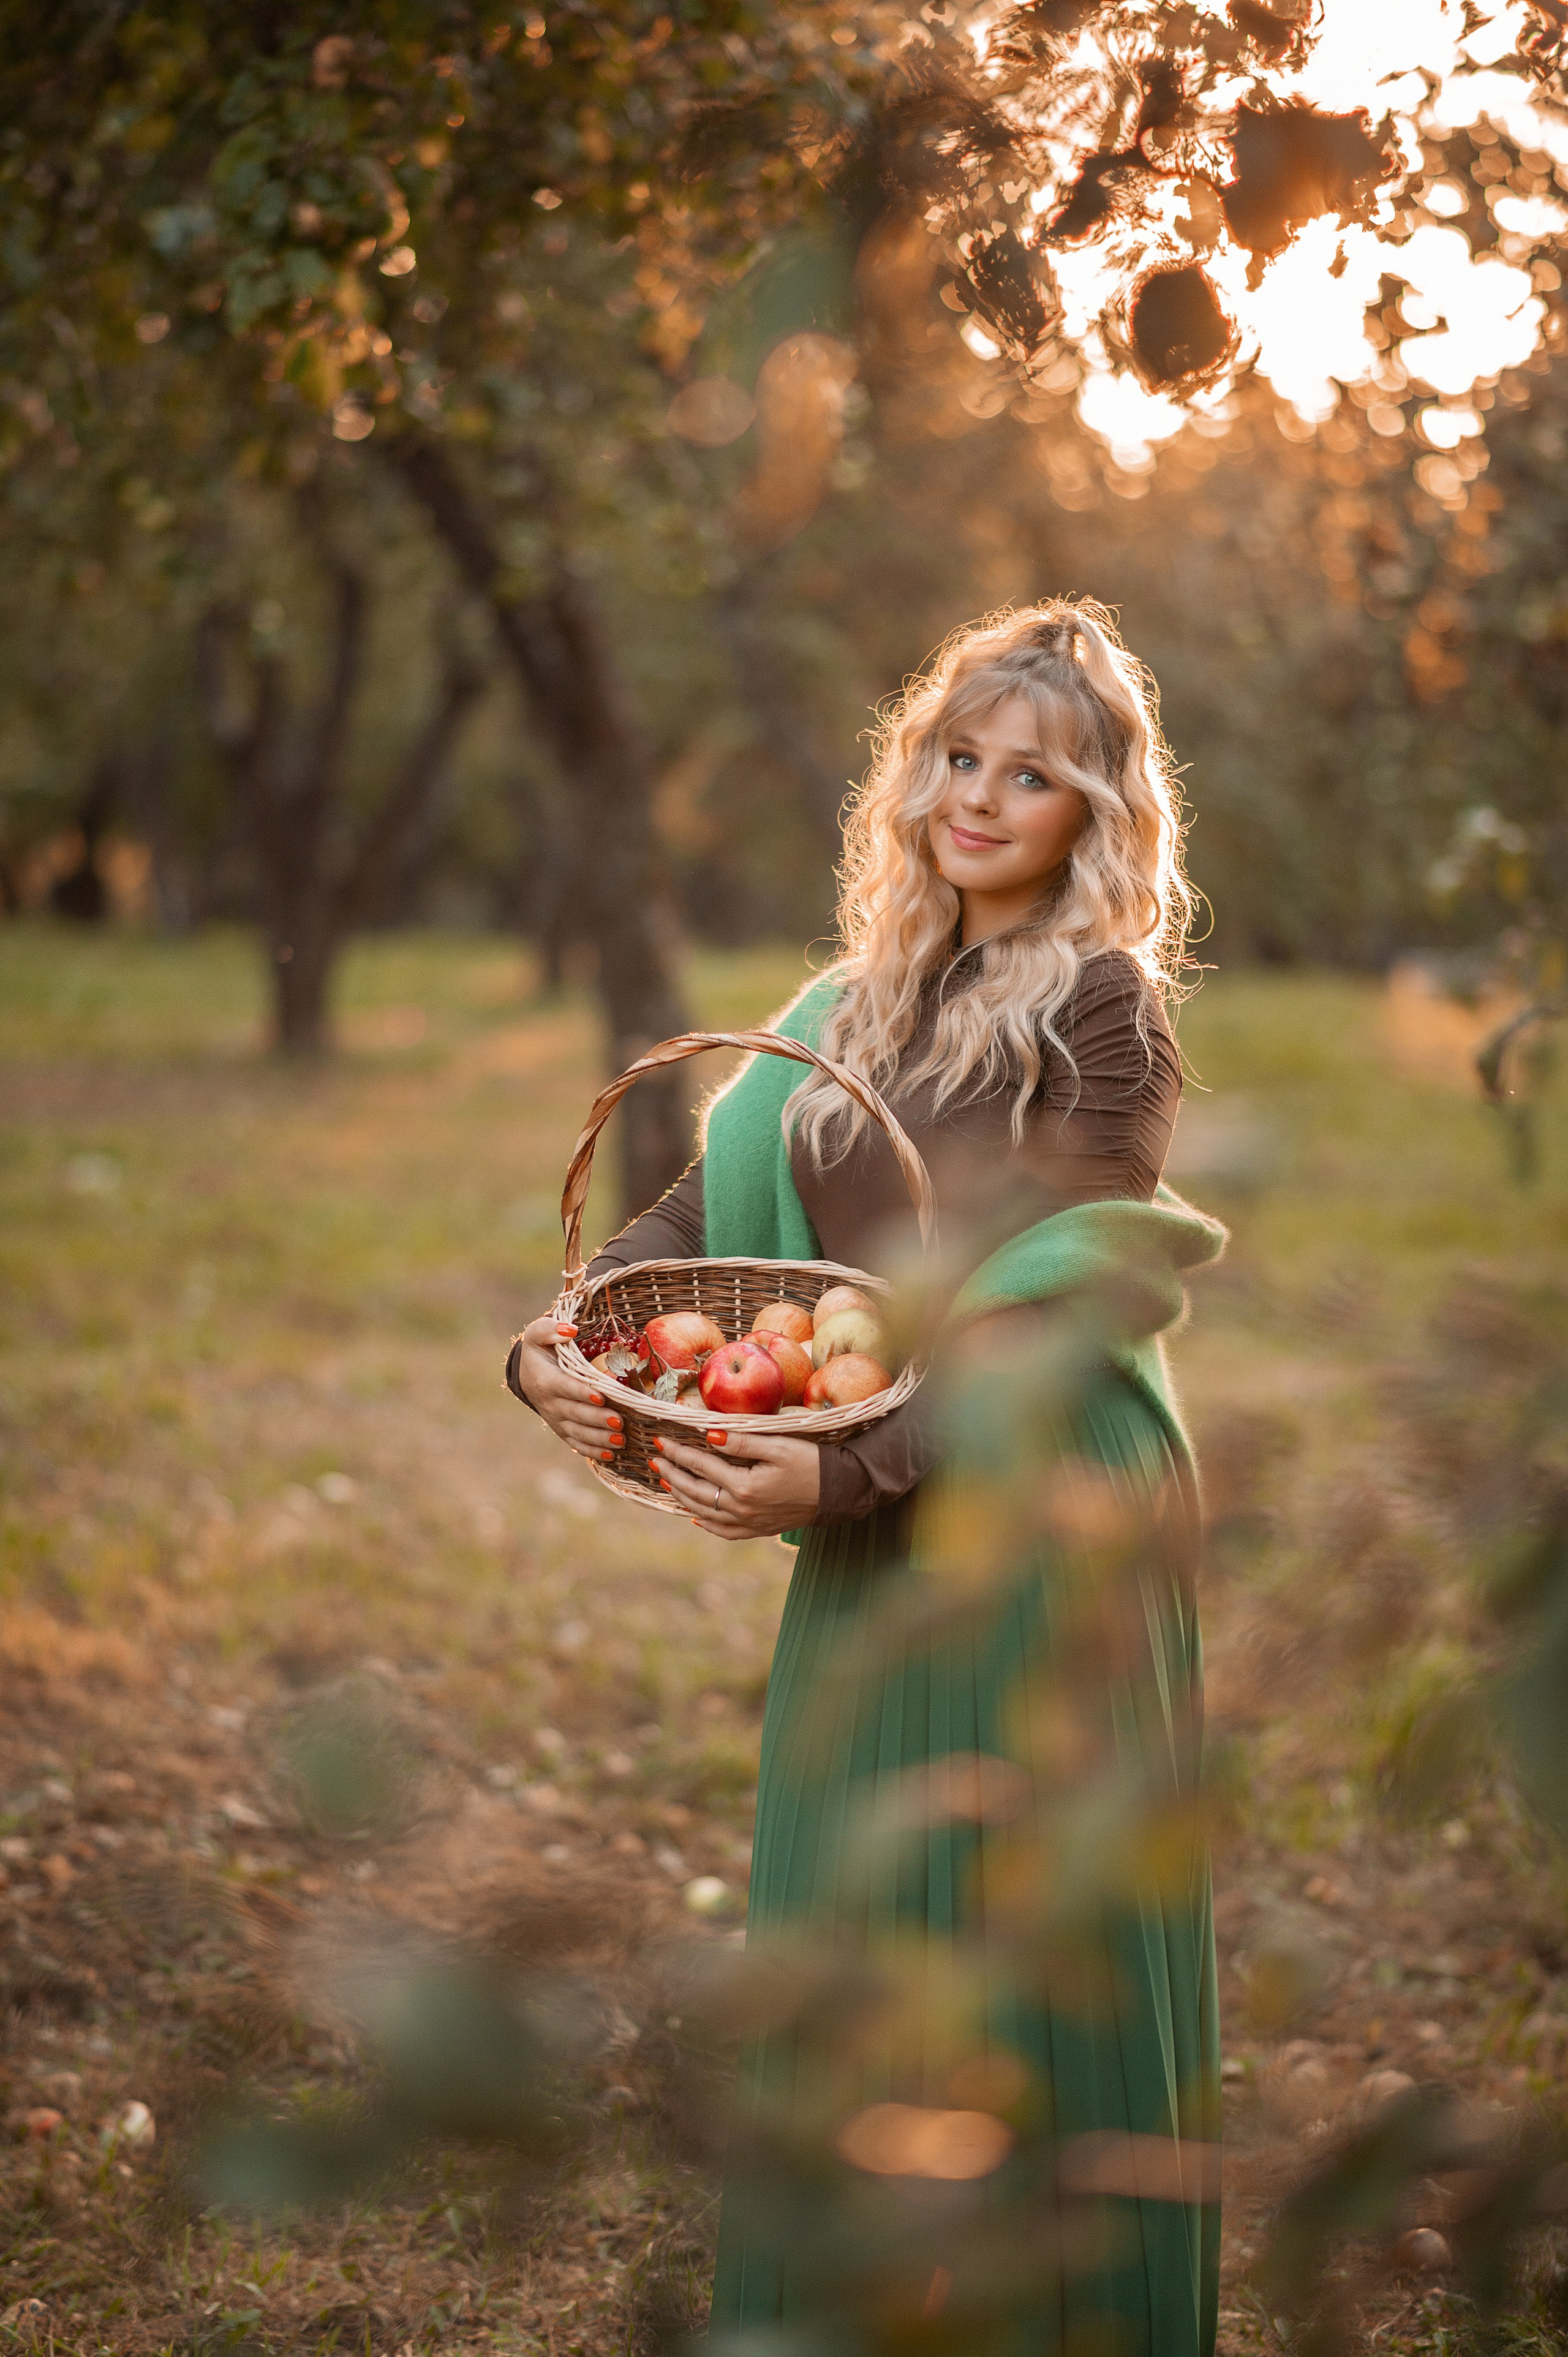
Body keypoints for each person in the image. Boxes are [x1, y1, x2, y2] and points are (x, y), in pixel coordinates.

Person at [508, 602, 1224, 2356]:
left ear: (1095, 813)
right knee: (850, 1934)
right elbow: (703, 1205)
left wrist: (842, 1481)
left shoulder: (1104, 1012)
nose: (979, 800)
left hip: (1042, 1510)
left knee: (1019, 1952)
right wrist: (567, 1329)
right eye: (955, 759)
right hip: (870, 1508)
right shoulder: (849, 998)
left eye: (1030, 775)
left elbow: (1084, 1290)